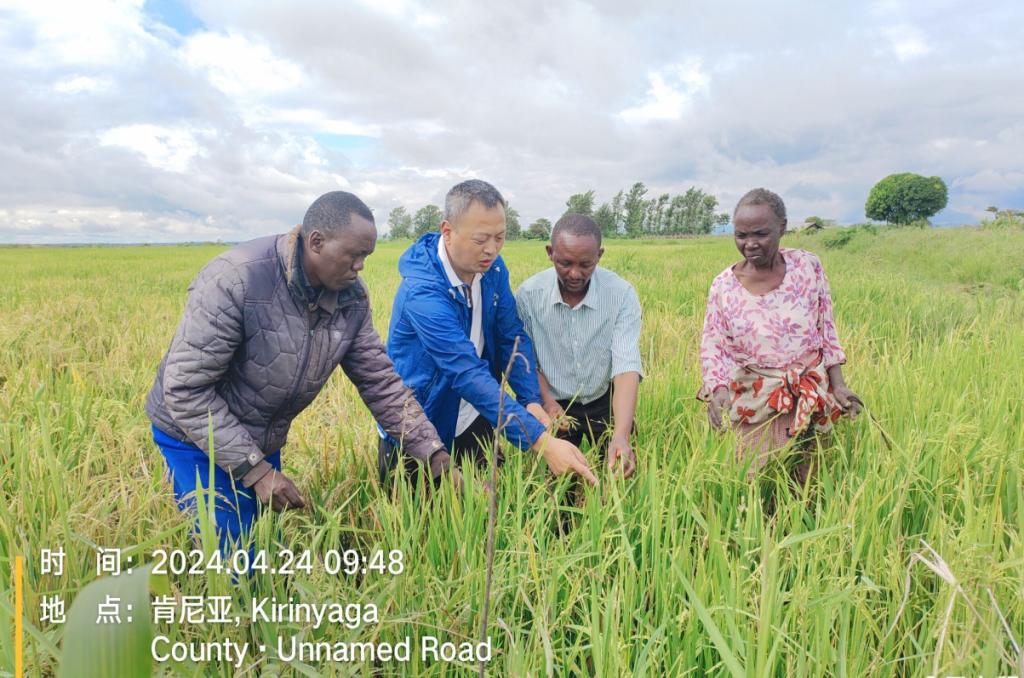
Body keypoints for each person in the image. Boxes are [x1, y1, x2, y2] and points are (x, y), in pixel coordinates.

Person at [146, 191, 452, 552]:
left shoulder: (350, 298)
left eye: (365, 257)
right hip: (196, 435)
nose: (360, 267)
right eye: (353, 255)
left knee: (262, 541)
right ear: (317, 241)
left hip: (260, 432)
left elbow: (380, 382)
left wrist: (434, 455)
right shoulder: (237, 281)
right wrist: (256, 471)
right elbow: (185, 390)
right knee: (233, 553)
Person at [379, 179, 598, 487]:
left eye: (500, 237)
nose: (492, 249)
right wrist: (540, 442)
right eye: (481, 239)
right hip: (421, 423)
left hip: (476, 414)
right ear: (447, 231)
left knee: (486, 512)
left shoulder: (492, 270)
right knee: (419, 523)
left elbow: (511, 335)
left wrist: (530, 398)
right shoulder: (423, 292)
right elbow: (465, 371)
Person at [698, 188, 861, 480]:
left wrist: (839, 385)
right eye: (740, 235)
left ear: (782, 227)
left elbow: (826, 329)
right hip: (755, 397)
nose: (749, 244)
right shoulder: (723, 286)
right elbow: (713, 345)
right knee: (749, 481)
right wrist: (719, 391)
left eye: (760, 234)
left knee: (809, 478)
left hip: (809, 391)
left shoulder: (808, 267)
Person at [516, 214, 641, 478]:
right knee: (558, 489)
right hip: (554, 401)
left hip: (604, 398)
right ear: (550, 253)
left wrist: (621, 434)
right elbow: (526, 361)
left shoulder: (621, 294)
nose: (575, 273)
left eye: (586, 264)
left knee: (618, 477)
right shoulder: (529, 296)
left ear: (600, 255)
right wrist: (547, 402)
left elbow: (626, 367)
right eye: (565, 263)